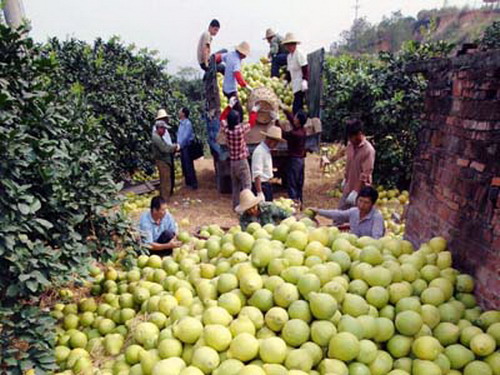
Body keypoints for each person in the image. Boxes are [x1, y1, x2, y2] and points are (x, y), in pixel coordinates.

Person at [220, 97, 260, 209]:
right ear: (238, 120)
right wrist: (254, 111)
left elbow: (222, 118)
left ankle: (236, 206)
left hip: (233, 163)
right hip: (242, 162)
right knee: (247, 184)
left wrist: (229, 106)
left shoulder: (227, 130)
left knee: (235, 186)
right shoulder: (240, 130)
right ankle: (248, 206)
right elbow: (252, 123)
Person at [308, 186, 385, 239]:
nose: (361, 205)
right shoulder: (354, 212)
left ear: (372, 204)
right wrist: (318, 211)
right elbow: (337, 214)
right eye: (360, 201)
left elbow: (376, 239)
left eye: (366, 202)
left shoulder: (376, 217)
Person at [341, 118, 376, 209]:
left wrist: (356, 191)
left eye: (351, 137)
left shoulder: (368, 150)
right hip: (348, 187)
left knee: (357, 219)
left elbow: (365, 174)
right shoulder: (350, 146)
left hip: (361, 193)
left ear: (359, 134)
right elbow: (349, 164)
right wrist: (345, 179)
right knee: (339, 217)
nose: (350, 140)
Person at [278, 108, 307, 208]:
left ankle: (294, 205)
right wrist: (285, 111)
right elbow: (292, 121)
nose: (294, 118)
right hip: (300, 161)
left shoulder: (295, 134)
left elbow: (283, 134)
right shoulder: (302, 130)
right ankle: (300, 203)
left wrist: (277, 121)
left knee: (292, 184)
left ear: (298, 120)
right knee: (299, 183)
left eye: (295, 117)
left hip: (294, 161)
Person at [216, 41, 252, 122]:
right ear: (242, 53)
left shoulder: (230, 54)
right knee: (239, 111)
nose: (245, 57)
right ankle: (237, 126)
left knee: (233, 108)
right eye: (245, 55)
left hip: (225, 88)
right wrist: (246, 86)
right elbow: (237, 75)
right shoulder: (237, 61)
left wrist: (212, 60)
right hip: (231, 90)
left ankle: (231, 121)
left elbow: (219, 57)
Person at [251, 121, 285, 202]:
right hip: (263, 186)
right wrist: (259, 192)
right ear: (271, 141)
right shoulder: (260, 151)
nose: (276, 145)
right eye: (276, 142)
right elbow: (257, 174)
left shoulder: (266, 151)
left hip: (267, 185)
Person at [152, 120, 179, 201]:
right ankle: (165, 200)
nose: (165, 131)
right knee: (165, 182)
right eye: (164, 129)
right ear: (159, 128)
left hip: (164, 160)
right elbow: (165, 148)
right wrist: (175, 146)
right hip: (162, 161)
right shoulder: (156, 138)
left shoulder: (158, 137)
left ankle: (164, 199)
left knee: (165, 181)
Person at [282, 33, 309, 114]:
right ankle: (299, 122)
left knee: (297, 107)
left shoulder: (299, 54)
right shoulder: (289, 57)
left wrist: (305, 80)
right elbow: (289, 71)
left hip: (300, 84)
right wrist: (286, 80)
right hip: (295, 84)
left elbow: (305, 68)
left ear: (294, 45)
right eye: (287, 45)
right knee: (297, 105)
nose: (289, 47)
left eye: (290, 45)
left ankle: (298, 122)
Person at [177, 107, 198, 190]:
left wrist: (180, 145)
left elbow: (185, 137)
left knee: (188, 165)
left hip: (187, 147)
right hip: (182, 147)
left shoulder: (187, 124)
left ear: (183, 114)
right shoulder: (181, 123)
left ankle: (193, 183)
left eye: (180, 111)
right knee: (184, 165)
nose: (179, 112)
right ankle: (188, 183)